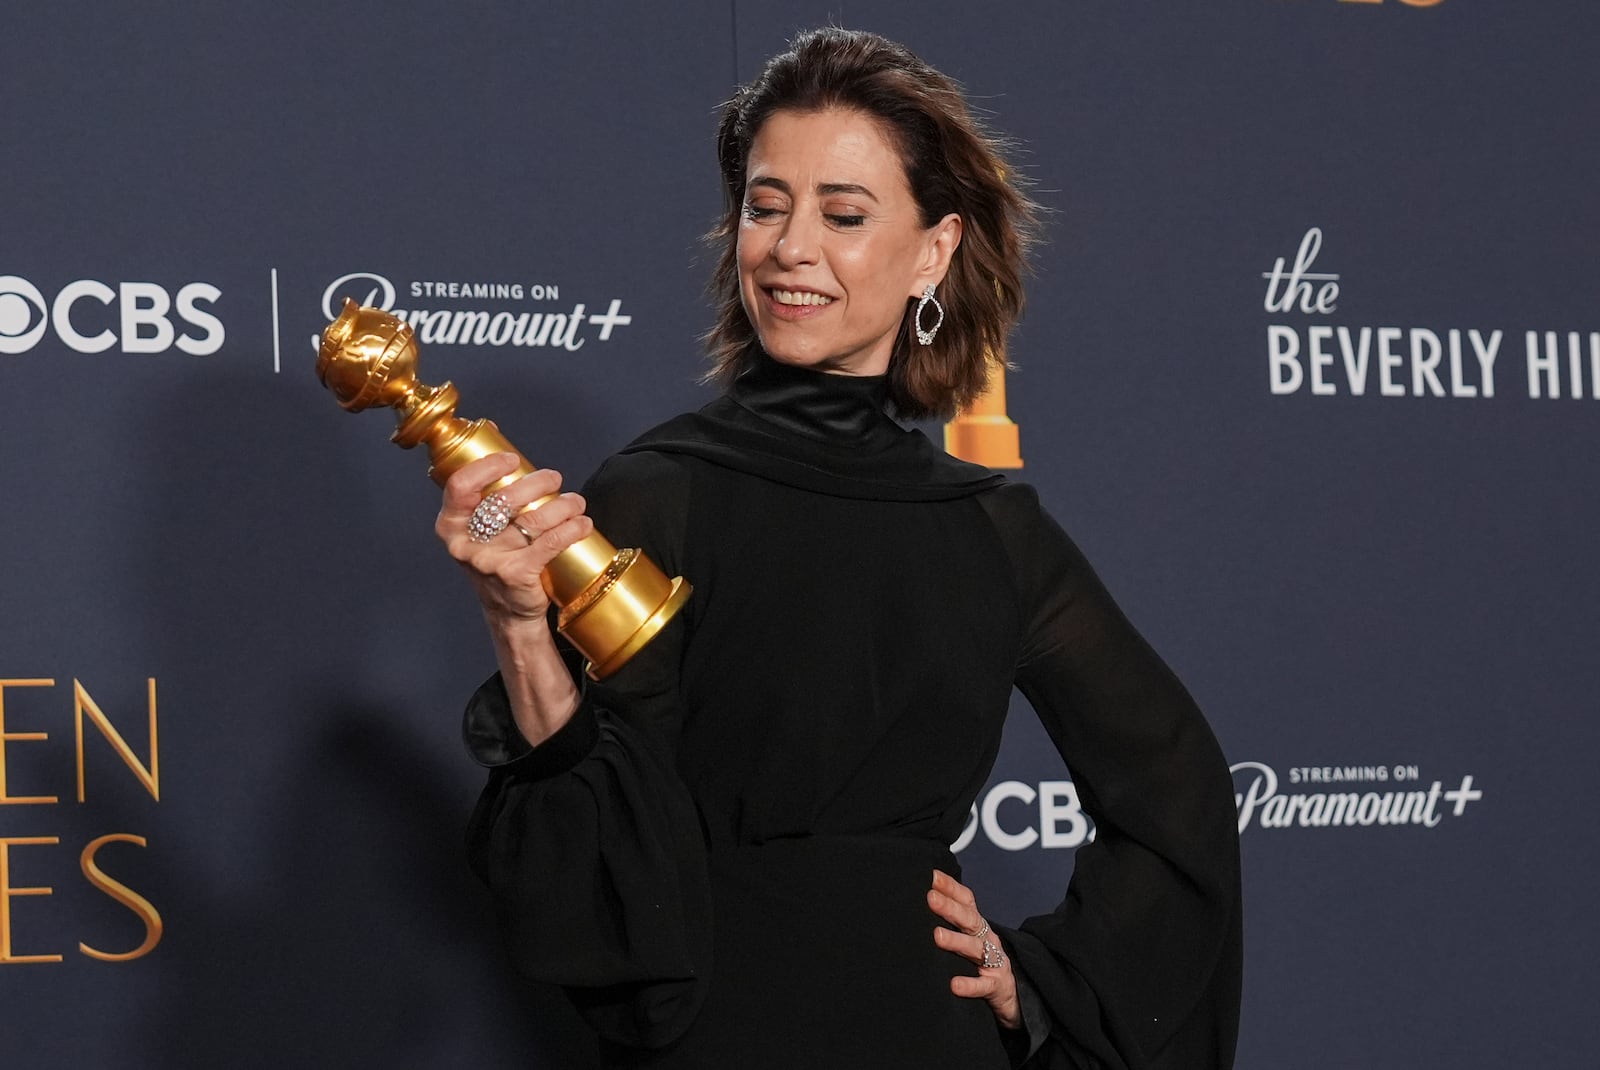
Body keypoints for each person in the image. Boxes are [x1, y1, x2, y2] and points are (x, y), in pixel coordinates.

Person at [440, 27, 1242, 1070]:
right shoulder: (659, 491)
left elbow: (1177, 785)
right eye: (766, 206)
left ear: (933, 251)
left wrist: (1041, 981)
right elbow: (597, 858)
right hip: (716, 1035)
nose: (790, 246)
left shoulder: (991, 530)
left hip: (928, 1033)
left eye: (844, 214)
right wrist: (516, 623)